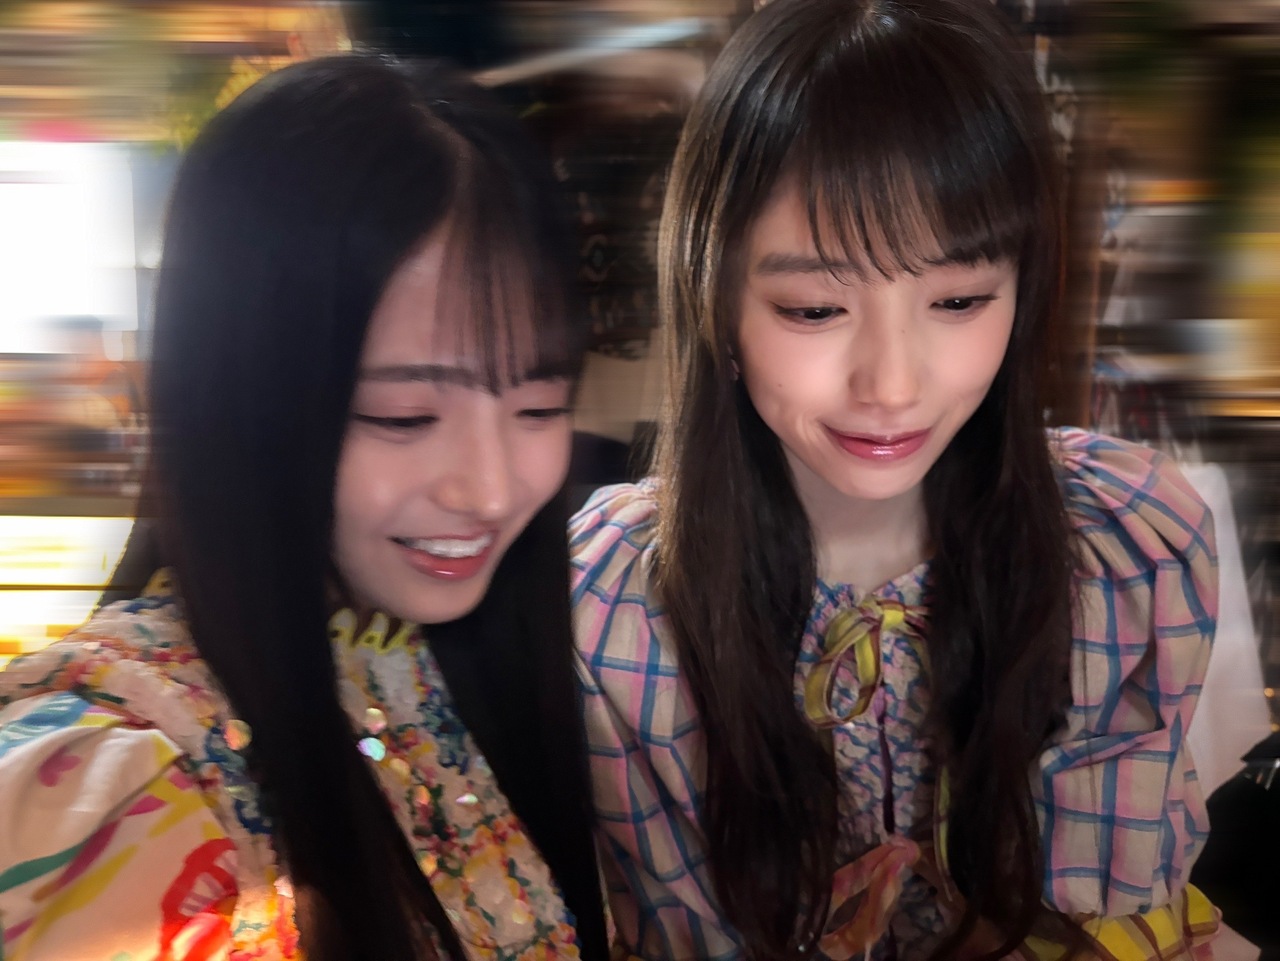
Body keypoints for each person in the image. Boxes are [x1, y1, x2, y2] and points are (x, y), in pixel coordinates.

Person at [569, 1, 1220, 959]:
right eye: (814, 308)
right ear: (713, 298)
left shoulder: (1123, 550)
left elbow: (1102, 911)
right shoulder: (616, 616)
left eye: (958, 299)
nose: (892, 385)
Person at [0, 55, 607, 961]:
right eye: (404, 415)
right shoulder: (121, 786)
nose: (488, 489)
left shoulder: (442, 652)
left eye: (539, 407)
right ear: (237, 393)